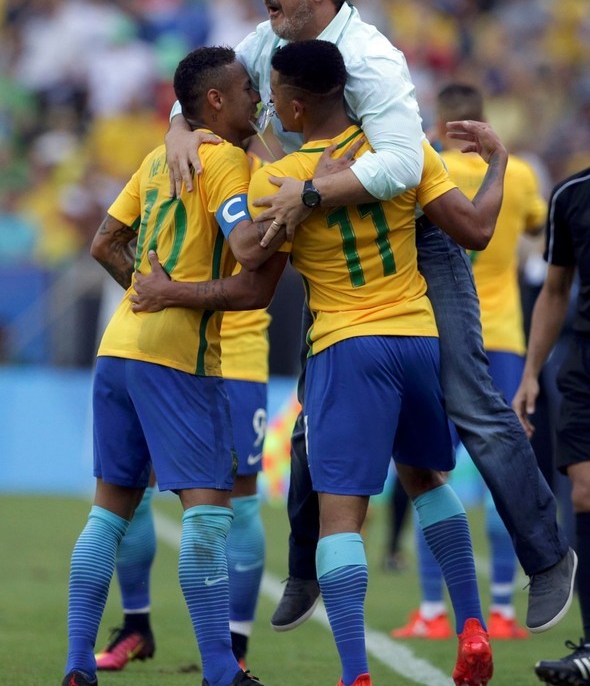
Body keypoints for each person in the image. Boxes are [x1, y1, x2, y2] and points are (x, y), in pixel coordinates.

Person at [164, 0, 574, 638]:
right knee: (308, 418)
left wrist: (310, 195)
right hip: (327, 229)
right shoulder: (266, 45)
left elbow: (401, 167)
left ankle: (546, 558)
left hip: (408, 236)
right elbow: (214, 84)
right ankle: (304, 567)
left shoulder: (376, 62)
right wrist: (177, 125)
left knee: (472, 401)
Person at [140, 37, 502, 686]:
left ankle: (356, 673)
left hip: (345, 346)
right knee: (429, 482)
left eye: (274, 92)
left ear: (298, 104)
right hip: (419, 338)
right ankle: (473, 625)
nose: (267, 102)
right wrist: (497, 163)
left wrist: (200, 140)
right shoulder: (401, 150)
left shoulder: (276, 180)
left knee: (342, 517)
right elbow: (475, 227)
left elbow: (251, 261)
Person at [60, 45, 288, 686]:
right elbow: (247, 252)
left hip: (118, 349)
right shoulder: (223, 165)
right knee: (211, 513)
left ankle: (79, 665)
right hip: (177, 361)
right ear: (215, 100)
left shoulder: (158, 157)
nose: (256, 97)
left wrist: (144, 288)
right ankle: (222, 669)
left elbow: (103, 240)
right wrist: (296, 213)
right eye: (246, 87)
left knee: (108, 512)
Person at [93, 157, 272, 673]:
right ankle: (137, 624)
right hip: (162, 353)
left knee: (237, 498)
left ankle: (233, 648)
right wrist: (149, 293)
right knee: (132, 488)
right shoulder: (179, 156)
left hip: (235, 359)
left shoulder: (257, 169)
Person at [392, 83, 547, 641]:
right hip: (502, 336)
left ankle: (433, 611)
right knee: (505, 470)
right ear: (480, 123)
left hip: (437, 333)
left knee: (430, 474)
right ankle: (505, 607)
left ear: (440, 120)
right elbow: (535, 226)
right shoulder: (522, 174)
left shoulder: (422, 166)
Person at [512, 167, 590, 685]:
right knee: (583, 495)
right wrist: (532, 374)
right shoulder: (571, 195)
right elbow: (555, 290)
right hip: (585, 364)